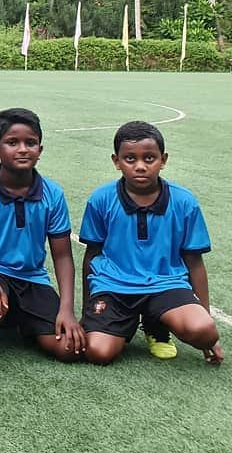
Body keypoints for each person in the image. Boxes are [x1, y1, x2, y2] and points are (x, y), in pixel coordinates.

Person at [80, 121, 222, 366]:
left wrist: (206, 324)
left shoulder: (184, 202)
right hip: (115, 286)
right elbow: (92, 256)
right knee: (98, 352)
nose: (140, 166)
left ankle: (155, 322)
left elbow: (195, 263)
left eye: (149, 158)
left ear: (163, 159)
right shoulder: (101, 199)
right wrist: (87, 312)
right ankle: (125, 322)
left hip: (165, 285)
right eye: (130, 159)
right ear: (116, 161)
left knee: (204, 331)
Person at [0, 108, 85, 361]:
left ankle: (23, 320)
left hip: (31, 278)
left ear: (40, 150)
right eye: (12, 142)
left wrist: (67, 309)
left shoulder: (52, 194)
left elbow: (63, 257)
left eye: (30, 143)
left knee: (70, 349)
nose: (23, 149)